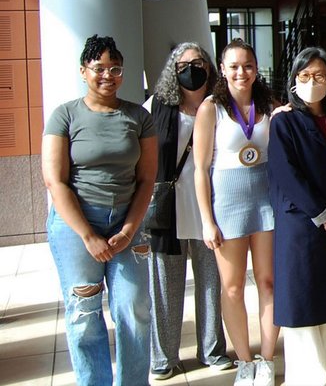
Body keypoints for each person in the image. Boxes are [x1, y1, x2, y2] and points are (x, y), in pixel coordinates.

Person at [42, 34, 157, 386]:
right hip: (76, 225)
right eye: (99, 68)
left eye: (115, 68)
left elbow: (147, 179)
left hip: (128, 220)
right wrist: (89, 235)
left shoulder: (138, 116)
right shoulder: (65, 115)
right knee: (84, 313)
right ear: (83, 71)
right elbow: (55, 181)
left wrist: (126, 230)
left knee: (135, 308)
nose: (108, 75)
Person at [267, 47, 326, 386]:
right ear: (294, 80)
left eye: (320, 76)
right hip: (302, 224)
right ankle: (310, 378)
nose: (312, 82)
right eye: (305, 76)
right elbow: (286, 174)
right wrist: (325, 216)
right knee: (305, 305)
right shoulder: (284, 121)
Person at [193, 39, 279, 386]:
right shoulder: (211, 108)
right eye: (234, 66)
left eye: (247, 65)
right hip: (227, 205)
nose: (241, 72)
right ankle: (244, 361)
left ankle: (268, 360)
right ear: (223, 69)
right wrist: (206, 220)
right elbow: (200, 169)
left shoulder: (270, 105)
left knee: (268, 283)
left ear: (257, 69)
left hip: (266, 200)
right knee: (231, 288)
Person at [145, 43, 233, 380]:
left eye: (198, 63)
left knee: (212, 283)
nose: (191, 69)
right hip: (168, 209)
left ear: (209, 68)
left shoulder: (223, 107)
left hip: (214, 208)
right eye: (183, 64)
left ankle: (212, 350)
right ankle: (163, 358)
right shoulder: (156, 106)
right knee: (165, 287)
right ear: (172, 69)